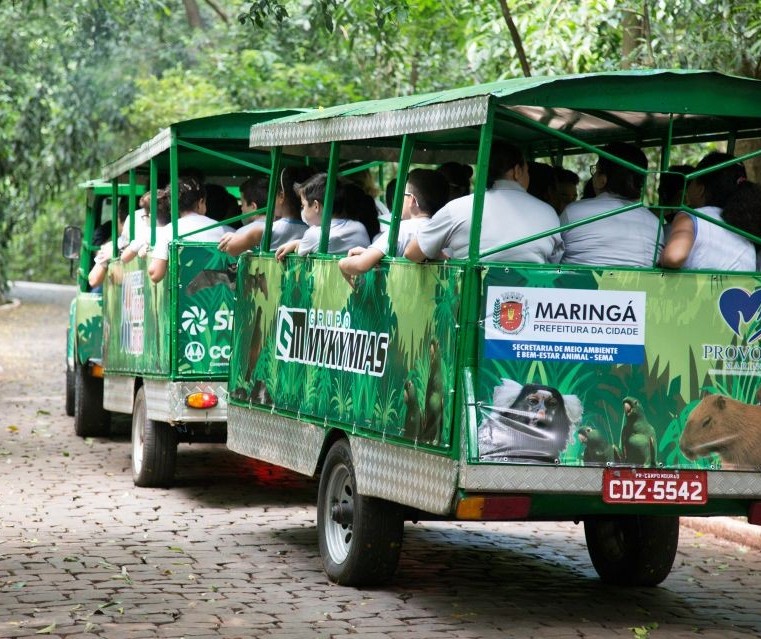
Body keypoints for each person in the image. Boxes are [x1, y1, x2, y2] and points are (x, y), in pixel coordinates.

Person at [404, 141, 563, 263]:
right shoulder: (549, 213)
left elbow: (412, 253)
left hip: (469, 303)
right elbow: (555, 261)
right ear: (517, 171)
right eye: (527, 171)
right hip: (531, 302)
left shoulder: (457, 209)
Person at [560, 142, 662, 267]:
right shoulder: (655, 223)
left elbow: (553, 258)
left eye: (595, 171)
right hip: (639, 286)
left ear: (602, 180)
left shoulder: (573, 212)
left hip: (579, 285)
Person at [339, 169, 449, 277]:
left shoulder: (403, 229)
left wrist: (342, 263)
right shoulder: (444, 230)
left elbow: (361, 265)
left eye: (403, 194)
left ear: (412, 200)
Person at [660, 152, 761, 270]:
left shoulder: (689, 217)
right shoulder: (748, 222)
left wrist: (661, 258)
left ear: (700, 188)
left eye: (691, 181)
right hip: (741, 288)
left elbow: (674, 257)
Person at [217, 166, 314, 256]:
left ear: (281, 196)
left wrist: (231, 236)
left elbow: (231, 248)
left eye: (273, 194)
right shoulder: (312, 232)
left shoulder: (265, 230)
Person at [275, 174, 374, 260]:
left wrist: (296, 243)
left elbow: (301, 251)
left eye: (303, 205)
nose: (302, 210)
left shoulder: (314, 234)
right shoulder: (359, 228)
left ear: (316, 206)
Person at [149, 177, 224, 283]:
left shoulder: (169, 230)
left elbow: (155, 274)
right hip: (215, 294)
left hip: (185, 295)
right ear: (200, 202)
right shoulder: (220, 228)